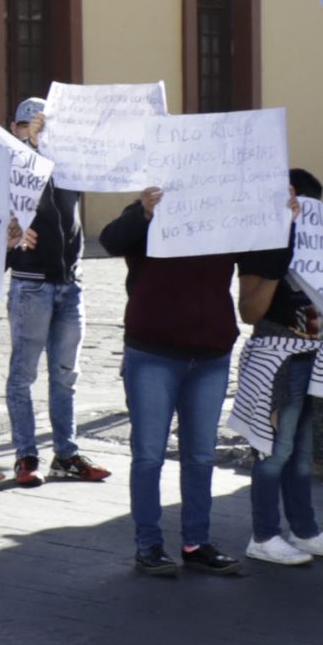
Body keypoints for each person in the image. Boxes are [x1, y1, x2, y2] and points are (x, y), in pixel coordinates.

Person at [99, 183, 250, 578]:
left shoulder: (229, 213)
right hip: (153, 352)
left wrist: (282, 217)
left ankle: (196, 542)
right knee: (149, 454)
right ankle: (148, 545)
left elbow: (266, 258)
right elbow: (110, 240)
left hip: (211, 352)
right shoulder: (147, 211)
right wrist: (145, 214)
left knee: (201, 456)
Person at [233, 169, 323, 567]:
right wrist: (281, 257)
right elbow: (249, 310)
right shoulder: (260, 246)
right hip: (279, 358)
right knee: (274, 449)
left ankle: (304, 530)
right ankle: (264, 534)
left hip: (316, 357)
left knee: (302, 451)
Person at [4, 98, 107, 487]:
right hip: (30, 283)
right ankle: (25, 455)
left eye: (44, 125)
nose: (36, 129)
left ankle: (65, 453)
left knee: (65, 374)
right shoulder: (12, 166)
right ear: (15, 129)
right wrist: (33, 146)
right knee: (22, 374)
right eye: (26, 124)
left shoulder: (70, 163)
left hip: (70, 283)